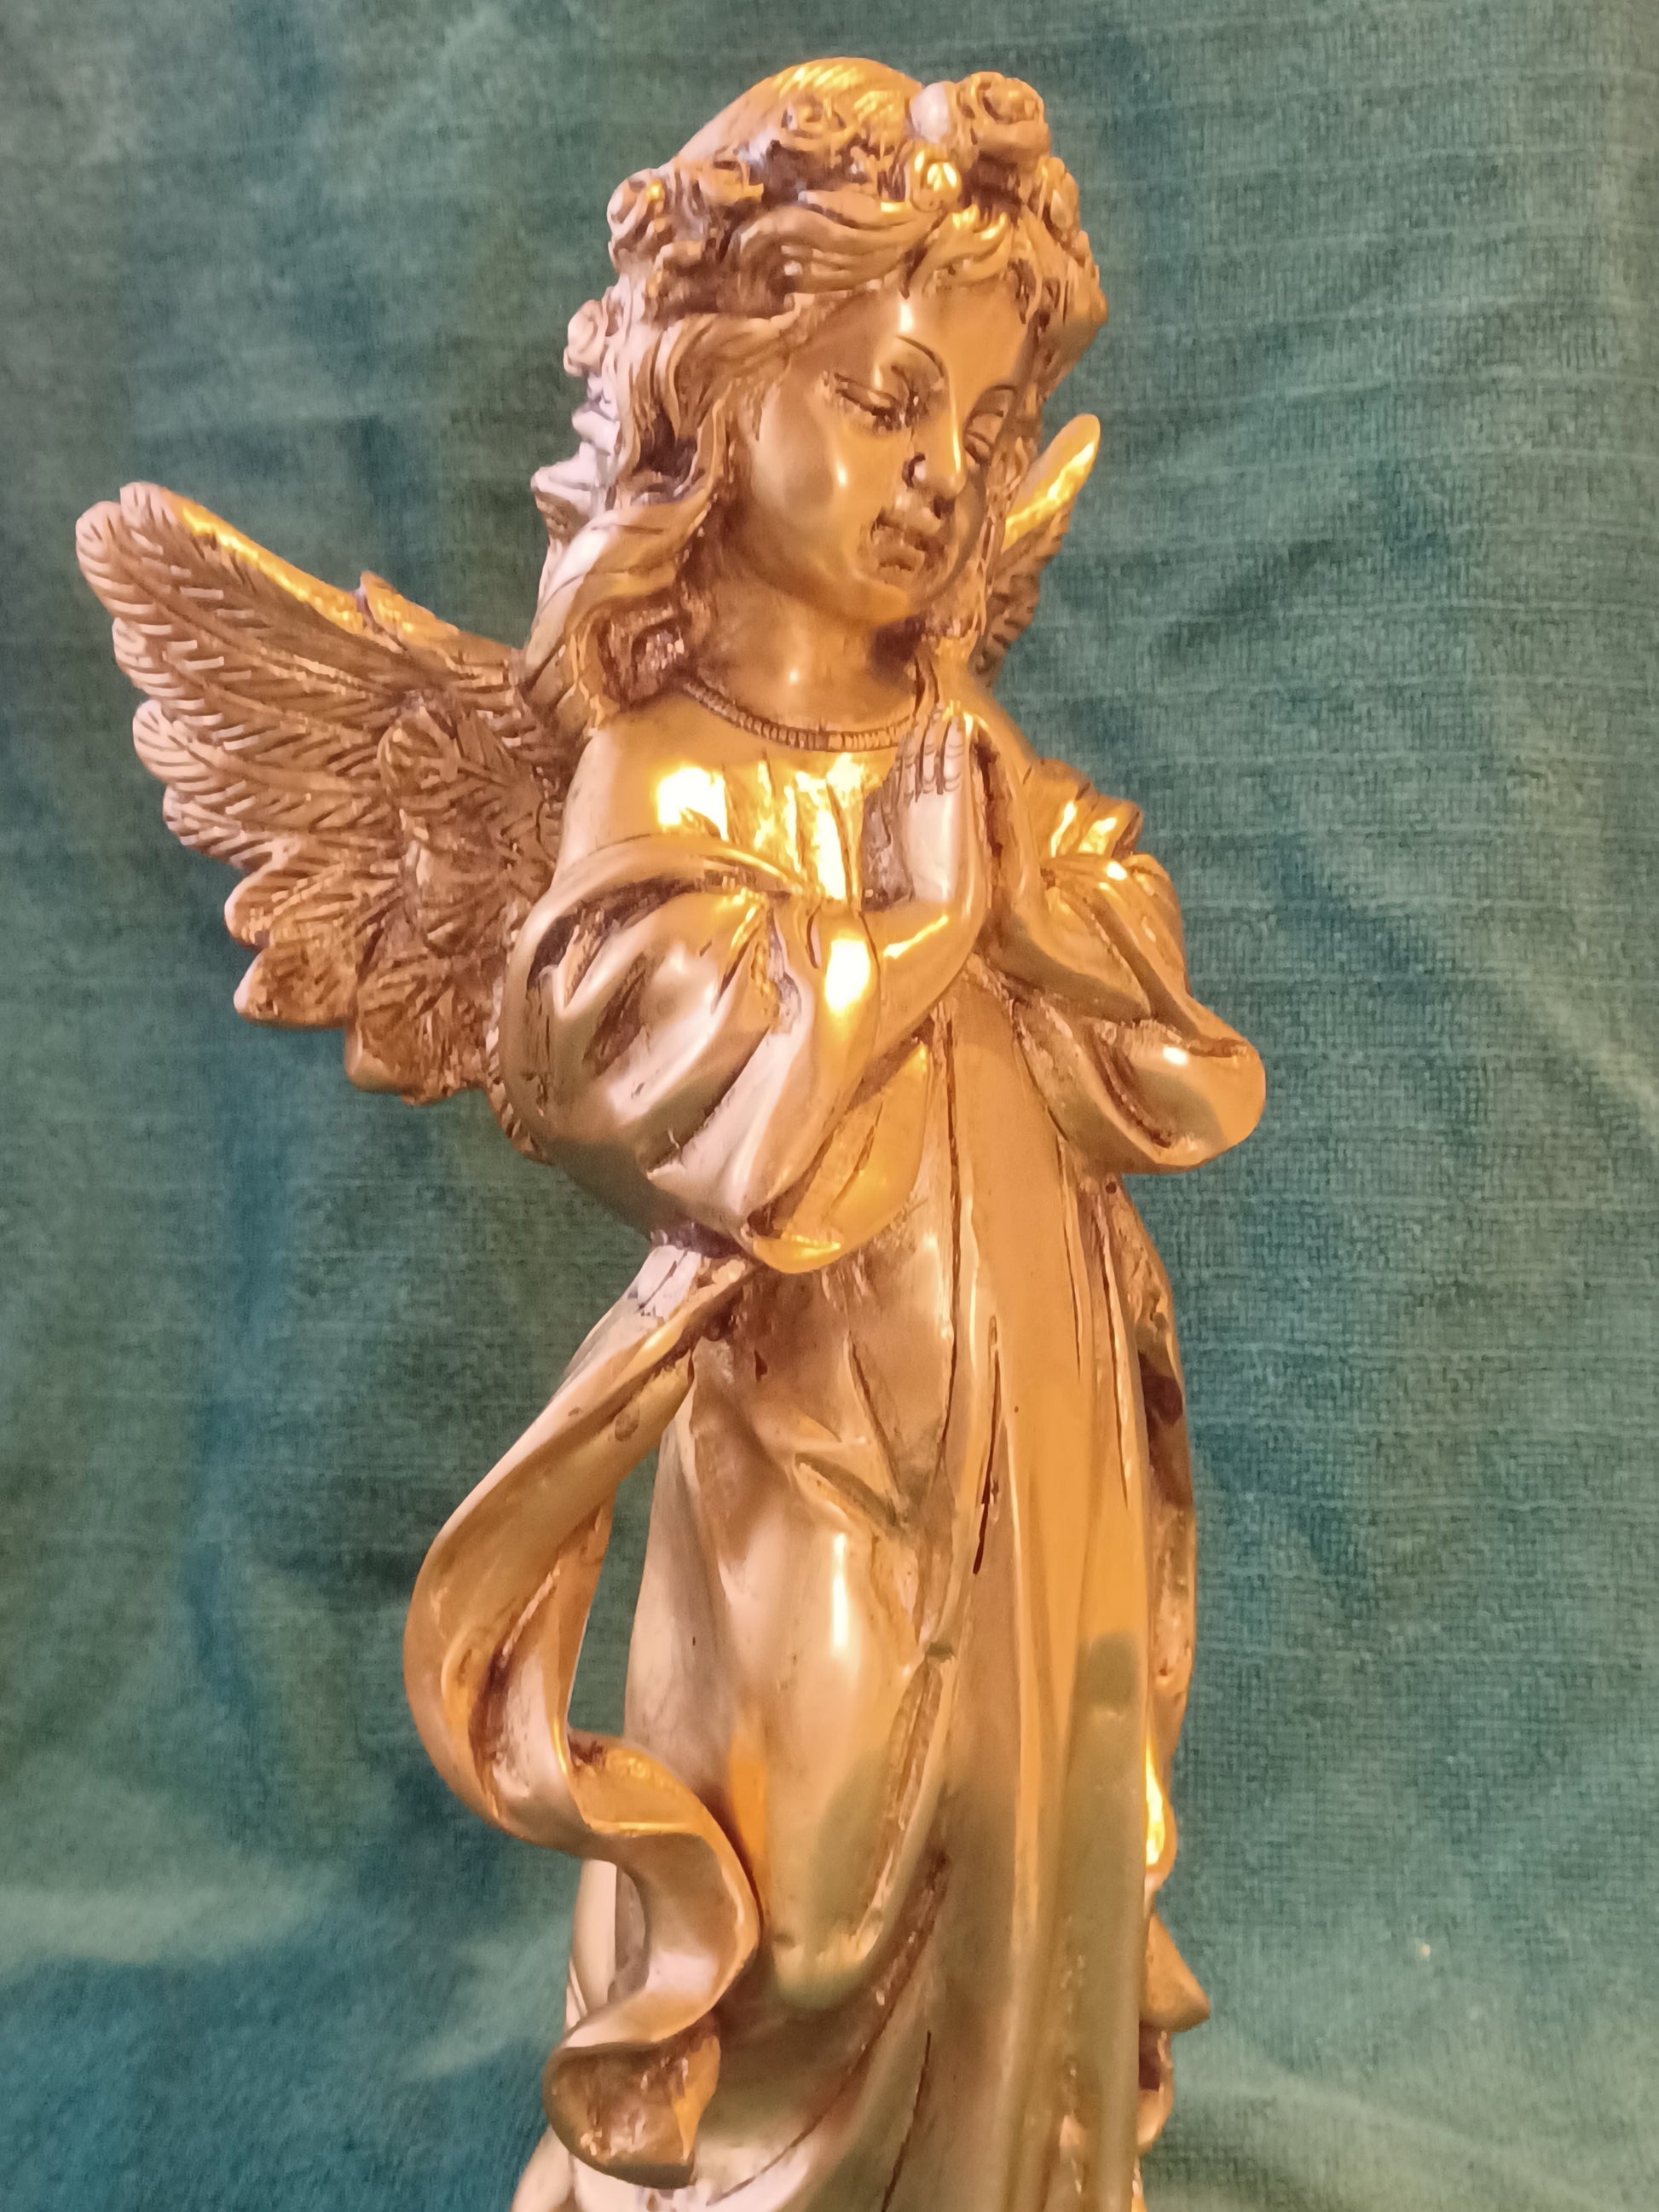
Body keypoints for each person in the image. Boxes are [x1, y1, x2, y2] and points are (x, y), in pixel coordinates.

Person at [402, 59, 1264, 2212]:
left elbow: (1130, 962)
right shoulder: (661, 766)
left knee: (1031, 1797)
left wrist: (1045, 915)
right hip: (820, 1415)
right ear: (717, 398)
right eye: (888, 402)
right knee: (814, 1860)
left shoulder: (951, 731)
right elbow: (640, 1057)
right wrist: (917, 931)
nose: (940, 476)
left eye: (977, 430)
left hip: (1037, 1382)